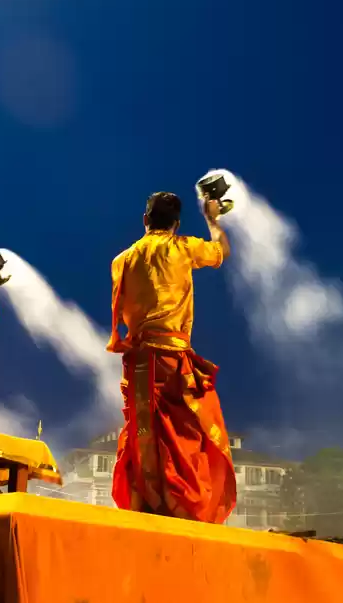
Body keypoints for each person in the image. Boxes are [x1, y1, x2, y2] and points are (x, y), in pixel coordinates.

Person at [108, 191, 236, 523]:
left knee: (143, 433)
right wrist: (212, 219)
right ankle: (186, 510)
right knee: (187, 434)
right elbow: (221, 251)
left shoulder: (122, 261)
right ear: (176, 224)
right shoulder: (183, 247)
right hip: (172, 359)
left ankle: (143, 510)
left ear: (145, 220)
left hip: (138, 362)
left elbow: (123, 310)